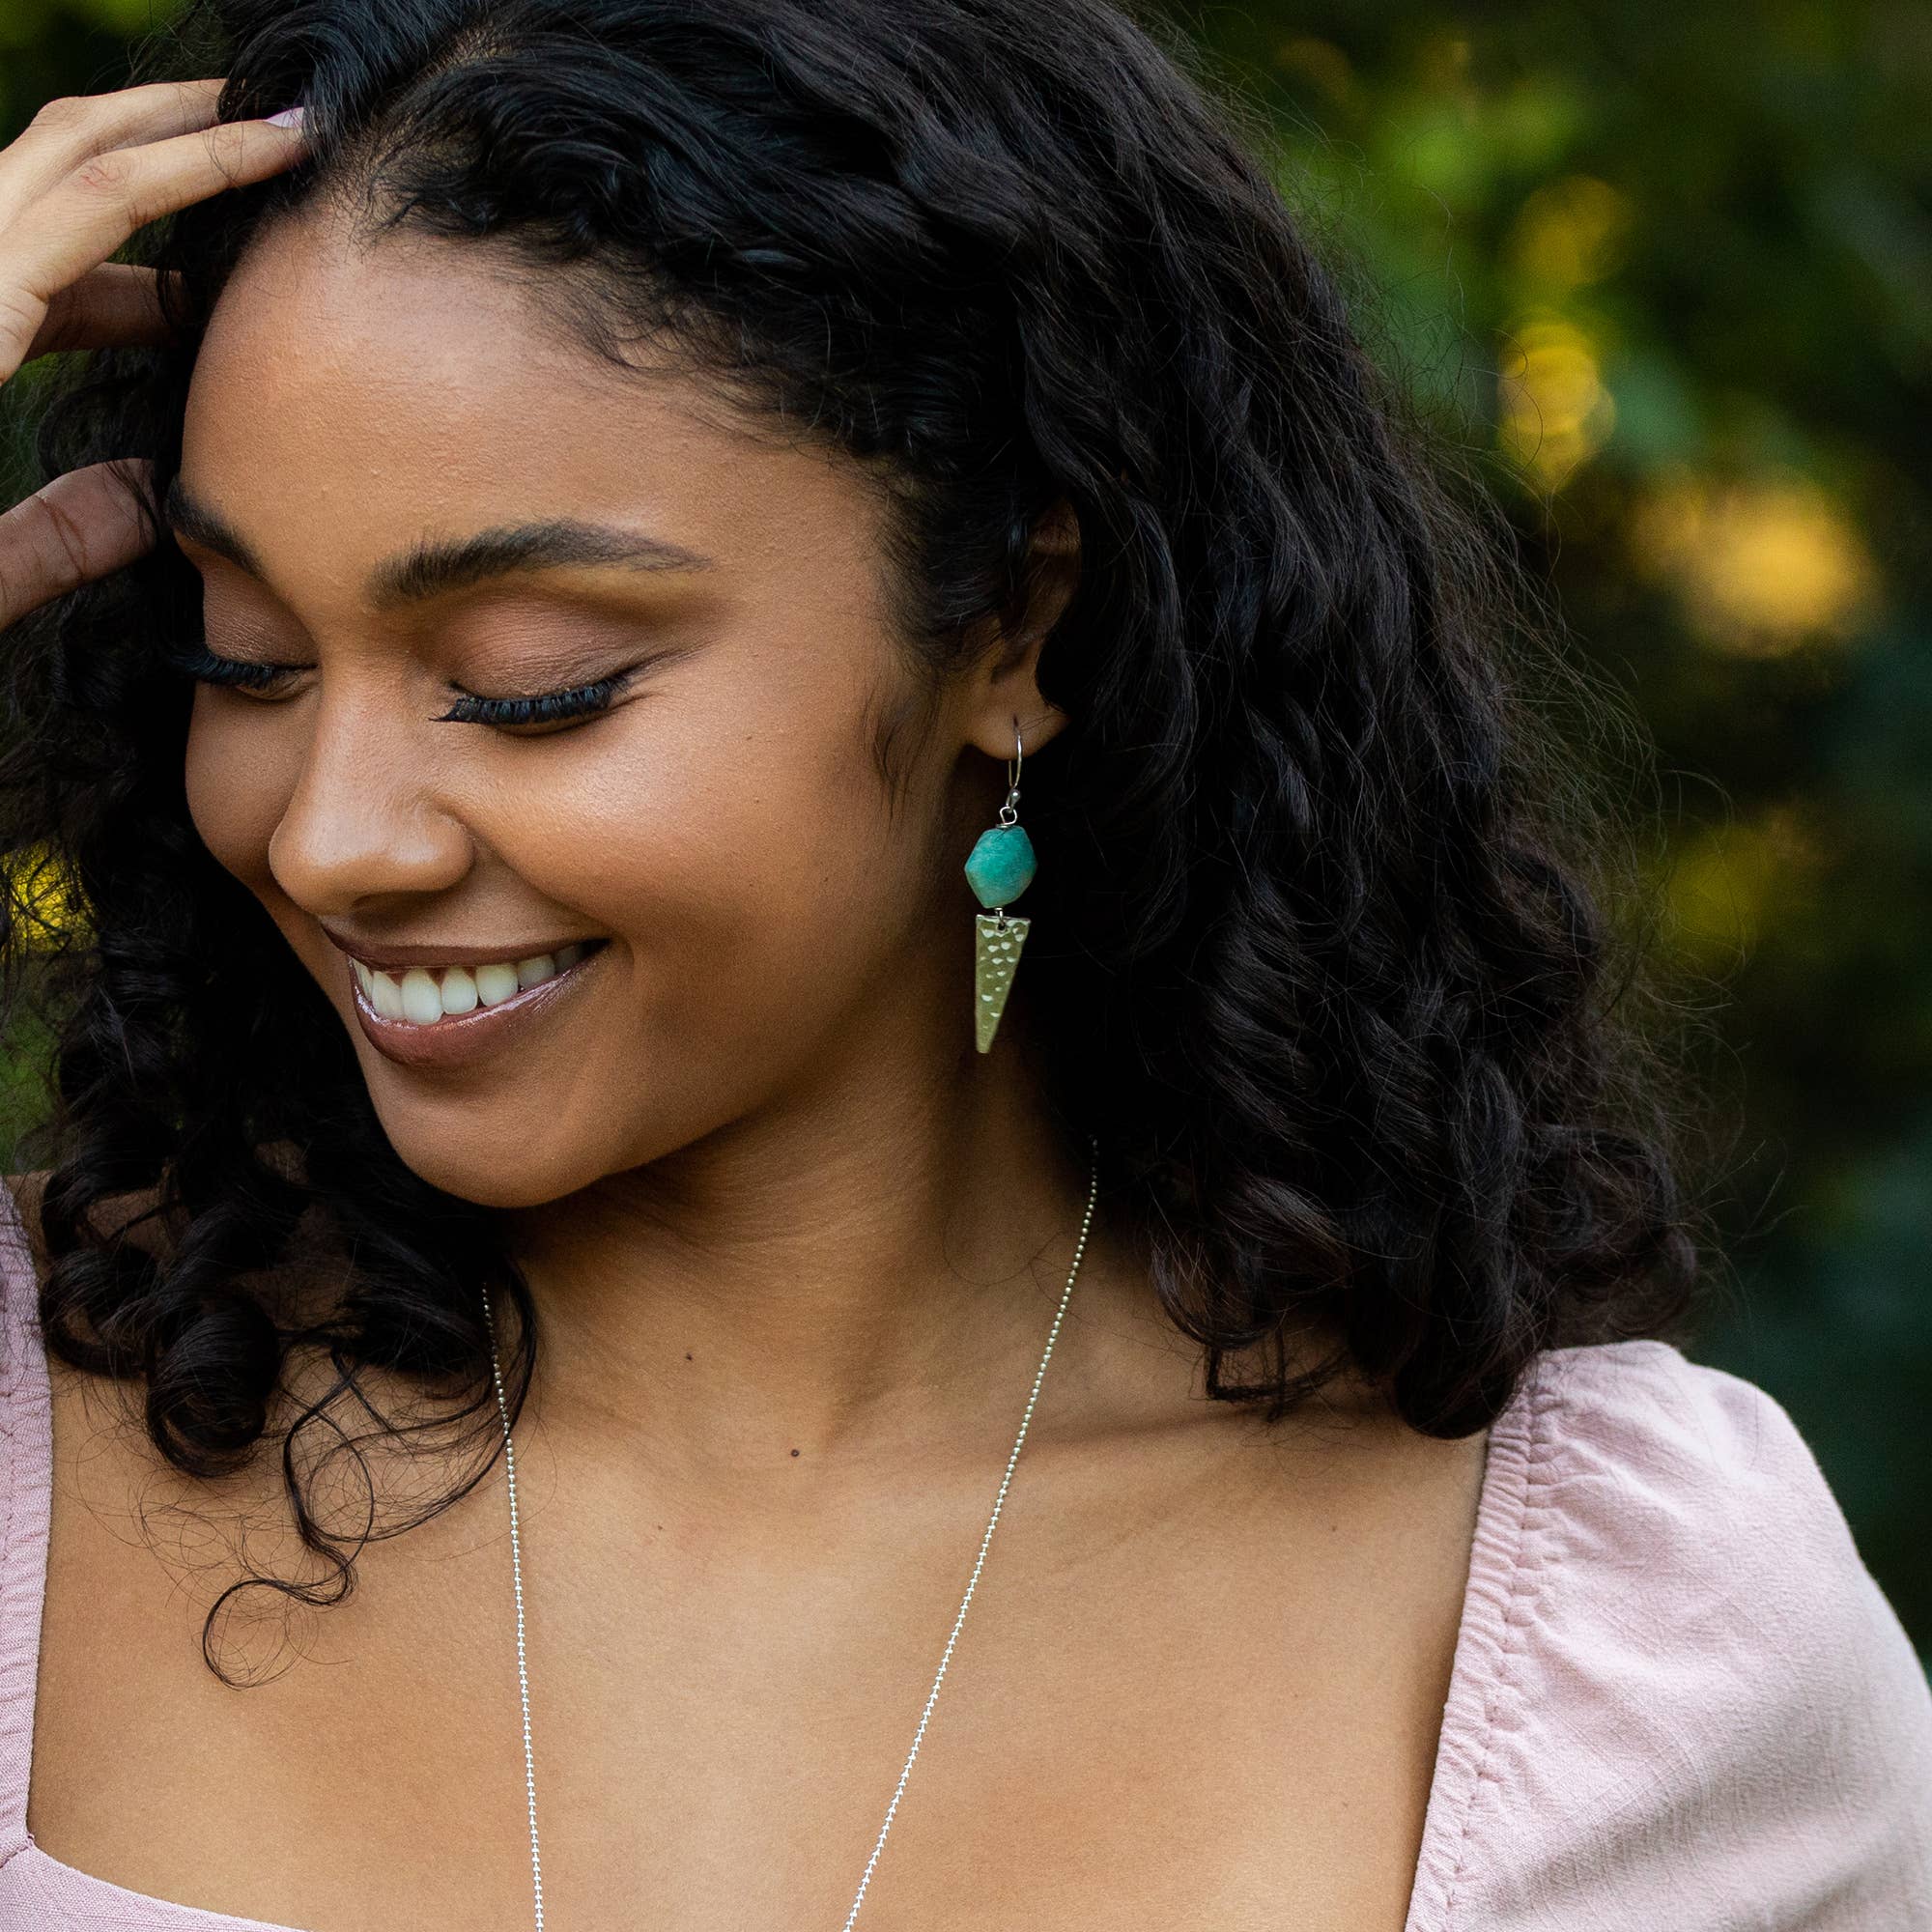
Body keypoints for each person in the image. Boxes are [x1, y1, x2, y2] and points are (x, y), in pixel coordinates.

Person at [0, 3, 1925, 1927]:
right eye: (244, 656)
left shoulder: (1612, 1639)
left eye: (531, 684)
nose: (337, 833)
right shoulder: (36, 1437)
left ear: (1005, 624)